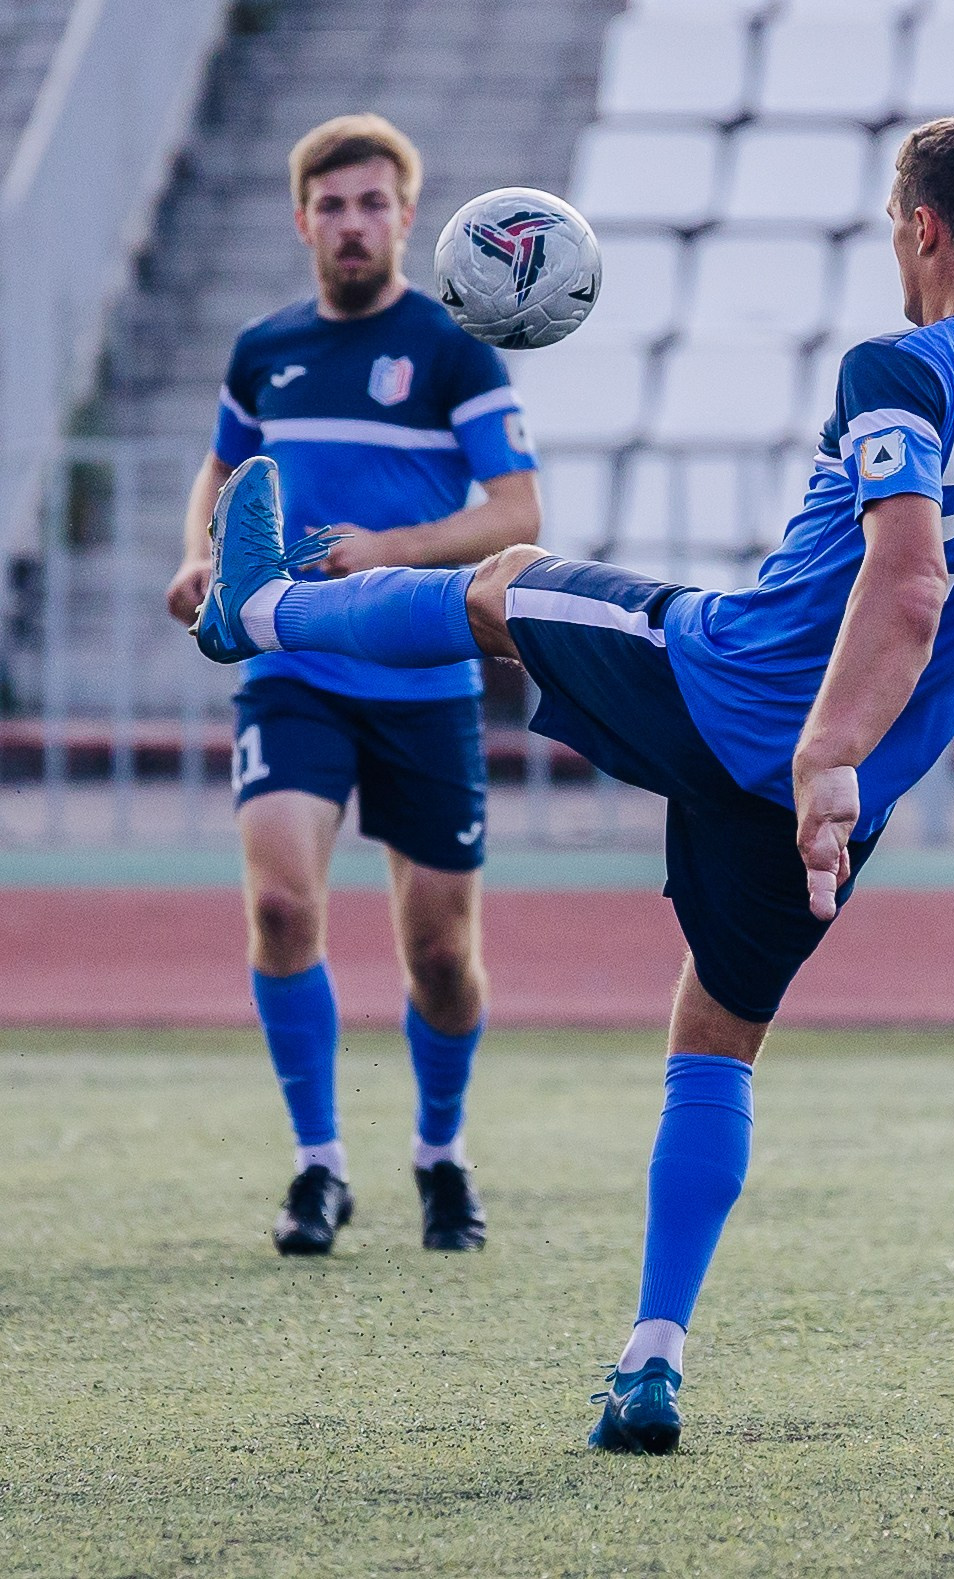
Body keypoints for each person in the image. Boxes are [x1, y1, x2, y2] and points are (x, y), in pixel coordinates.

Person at [186, 113, 954, 1455]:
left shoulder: (898, 364)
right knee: (714, 1044)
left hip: (732, 689)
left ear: (920, 226)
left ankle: (261, 610)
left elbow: (908, 581)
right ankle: (651, 1357)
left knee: (503, 590)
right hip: (849, 789)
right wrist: (846, 764)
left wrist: (822, 745)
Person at [165, 114, 541, 1258]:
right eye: (331, 205)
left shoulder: (453, 348)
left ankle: (439, 1151)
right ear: (302, 221)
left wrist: (392, 548)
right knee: (282, 907)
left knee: (440, 953)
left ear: (405, 217)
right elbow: (221, 473)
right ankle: (319, 1162)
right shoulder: (264, 349)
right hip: (292, 667)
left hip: (423, 677)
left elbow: (517, 512)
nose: (352, 223)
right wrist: (198, 556)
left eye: (373, 203)